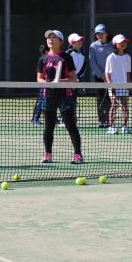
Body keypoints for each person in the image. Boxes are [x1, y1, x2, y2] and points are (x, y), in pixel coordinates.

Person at [37, 29, 83, 164]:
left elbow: (74, 78)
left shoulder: (66, 57)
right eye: (48, 38)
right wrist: (47, 83)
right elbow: (39, 78)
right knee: (48, 126)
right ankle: (47, 154)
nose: (50, 40)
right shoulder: (43, 58)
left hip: (65, 96)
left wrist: (60, 82)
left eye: (54, 37)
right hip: (48, 96)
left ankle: (78, 154)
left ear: (60, 41)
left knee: (70, 125)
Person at [105, 34, 132, 135]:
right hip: (113, 86)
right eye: (121, 42)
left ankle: (125, 127)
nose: (124, 44)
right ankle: (111, 127)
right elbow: (107, 73)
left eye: (125, 42)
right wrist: (110, 85)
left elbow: (127, 73)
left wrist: (129, 85)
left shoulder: (127, 57)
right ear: (115, 44)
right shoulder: (110, 57)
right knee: (114, 105)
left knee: (125, 106)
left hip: (124, 86)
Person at [89, 23, 113, 128]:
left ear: (106, 33)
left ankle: (109, 120)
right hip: (99, 77)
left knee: (110, 98)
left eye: (102, 33)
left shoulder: (113, 45)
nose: (100, 35)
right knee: (100, 98)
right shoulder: (93, 46)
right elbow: (92, 63)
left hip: (112, 77)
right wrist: (102, 75)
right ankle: (101, 120)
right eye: (98, 34)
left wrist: (108, 76)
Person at [31, 44, 48, 126]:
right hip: (44, 83)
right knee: (41, 101)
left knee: (44, 101)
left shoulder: (43, 58)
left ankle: (35, 119)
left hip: (46, 83)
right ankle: (35, 119)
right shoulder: (43, 59)